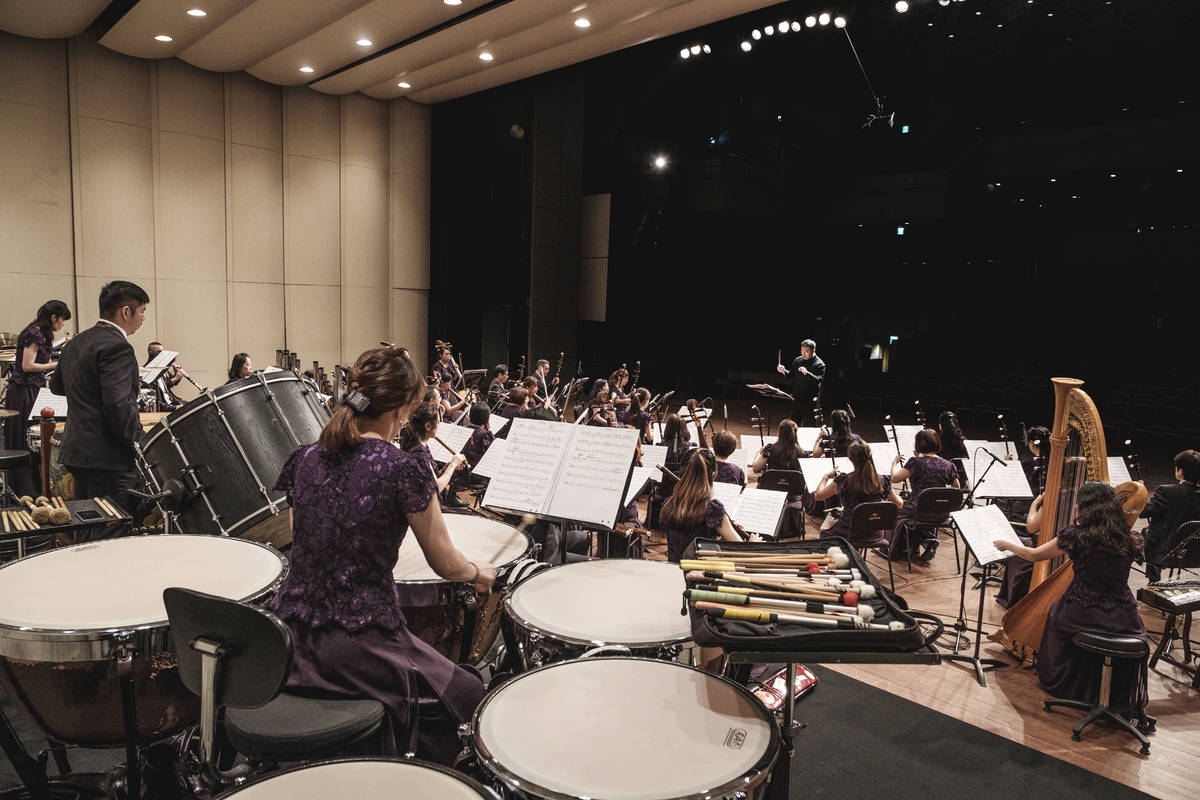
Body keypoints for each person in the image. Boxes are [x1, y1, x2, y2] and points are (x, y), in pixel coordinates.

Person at [269, 346, 495, 765]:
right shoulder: (401, 468)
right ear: (402, 409)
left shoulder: (305, 458)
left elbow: (305, 541)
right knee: (470, 695)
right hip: (358, 644)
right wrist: (477, 570)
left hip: (291, 639)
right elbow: (445, 563)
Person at [994, 481, 1150, 730]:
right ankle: (1109, 692)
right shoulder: (1131, 538)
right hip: (1124, 615)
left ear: (1083, 508)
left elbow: (1033, 556)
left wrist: (1006, 545)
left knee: (1054, 613)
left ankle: (1067, 684)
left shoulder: (1076, 535)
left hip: (1082, 610)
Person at [50, 281, 148, 530]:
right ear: (126, 311)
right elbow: (118, 405)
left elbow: (57, 386)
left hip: (77, 452)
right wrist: (142, 444)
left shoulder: (75, 342)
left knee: (90, 526)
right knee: (113, 533)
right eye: (142, 311)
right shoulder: (118, 346)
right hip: (108, 458)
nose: (143, 318)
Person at [4, 300, 71, 496]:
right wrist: (55, 366)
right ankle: (23, 487)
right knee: (25, 436)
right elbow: (27, 366)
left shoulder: (41, 334)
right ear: (53, 318)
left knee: (34, 435)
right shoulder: (33, 333)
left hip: (33, 387)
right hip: (23, 390)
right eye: (61, 321)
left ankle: (36, 484)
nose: (61, 325)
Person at [662, 449, 761, 563]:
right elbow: (743, 553)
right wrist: (754, 543)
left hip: (674, 570)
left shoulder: (669, 504)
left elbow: (688, 539)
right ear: (713, 474)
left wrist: (719, 537)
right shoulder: (712, 509)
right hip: (701, 575)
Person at [889, 428, 960, 561]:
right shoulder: (949, 465)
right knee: (922, 513)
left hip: (917, 510)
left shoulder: (915, 462)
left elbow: (894, 478)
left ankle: (902, 548)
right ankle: (928, 539)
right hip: (941, 512)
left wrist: (895, 463)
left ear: (919, 445)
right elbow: (956, 489)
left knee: (896, 509)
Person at [813, 441, 902, 545]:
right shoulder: (882, 480)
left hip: (848, 532)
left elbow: (818, 496)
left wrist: (825, 477)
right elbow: (899, 504)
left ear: (851, 459)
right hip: (874, 534)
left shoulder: (844, 480)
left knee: (825, 530)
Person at [1139, 449, 1200, 582]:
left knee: (1146, 533)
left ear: (1180, 471)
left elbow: (1144, 512)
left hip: (1163, 551)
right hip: (1191, 553)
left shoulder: (1166, 491)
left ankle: (1153, 581)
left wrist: (1140, 493)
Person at [398, 401, 468, 507]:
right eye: (438, 422)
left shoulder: (419, 446)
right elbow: (435, 488)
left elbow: (428, 478)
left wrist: (446, 468)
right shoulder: (420, 453)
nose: (439, 425)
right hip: (426, 509)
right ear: (428, 426)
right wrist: (453, 465)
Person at [752, 419, 811, 539]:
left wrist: (758, 454)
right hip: (792, 496)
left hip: (771, 494)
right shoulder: (803, 454)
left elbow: (755, 468)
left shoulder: (770, 449)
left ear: (779, 433)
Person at [775, 339, 825, 426]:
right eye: (802, 351)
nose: (803, 354)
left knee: (808, 428)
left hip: (809, 402)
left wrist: (807, 373)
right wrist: (783, 371)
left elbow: (818, 380)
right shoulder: (798, 360)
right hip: (796, 399)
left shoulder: (819, 364)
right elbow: (791, 375)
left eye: (806, 351)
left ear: (814, 350)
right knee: (793, 427)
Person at [144, 341, 189, 412]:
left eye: (163, 351)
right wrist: (175, 378)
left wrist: (176, 373)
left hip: (171, 400)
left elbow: (171, 383)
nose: (163, 354)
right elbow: (159, 389)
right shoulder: (147, 373)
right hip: (164, 405)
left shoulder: (163, 369)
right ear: (151, 353)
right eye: (159, 352)